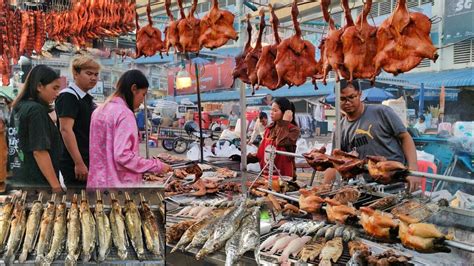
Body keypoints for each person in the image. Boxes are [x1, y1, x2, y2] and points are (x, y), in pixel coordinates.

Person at [323, 81, 420, 191]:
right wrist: (324, 188)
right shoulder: (340, 129)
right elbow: (335, 161)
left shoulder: (382, 112)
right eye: (342, 99)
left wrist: (413, 170)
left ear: (360, 94)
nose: (347, 102)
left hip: (395, 184)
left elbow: (405, 137)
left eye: (351, 97)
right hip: (366, 188)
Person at [87, 69, 172, 189]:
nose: (143, 100)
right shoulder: (124, 114)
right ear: (134, 89)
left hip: (97, 185)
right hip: (119, 190)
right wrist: (156, 166)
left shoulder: (99, 111)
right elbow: (123, 156)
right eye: (143, 94)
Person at [8, 65, 63, 192]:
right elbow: (39, 152)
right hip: (38, 184)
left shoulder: (18, 107)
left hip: (20, 180)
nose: (57, 93)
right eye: (54, 88)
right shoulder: (36, 110)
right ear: (39, 86)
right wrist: (56, 187)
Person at [55, 55, 100, 188]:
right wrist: (78, 163)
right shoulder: (69, 96)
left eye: (96, 74)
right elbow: (65, 130)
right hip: (74, 163)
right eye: (89, 73)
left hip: (87, 159)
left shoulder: (86, 98)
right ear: (75, 73)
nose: (93, 78)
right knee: (79, 203)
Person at [248, 98, 300, 179]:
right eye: (271, 110)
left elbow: (281, 142)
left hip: (284, 176)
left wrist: (285, 123)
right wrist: (245, 158)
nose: (271, 113)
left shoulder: (293, 129)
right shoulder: (269, 128)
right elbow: (261, 153)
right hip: (267, 175)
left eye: (275, 111)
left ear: (285, 113)